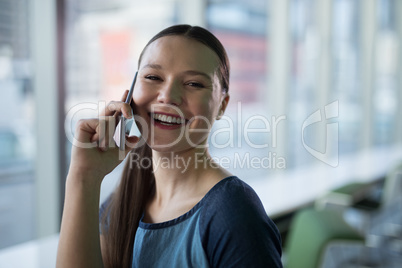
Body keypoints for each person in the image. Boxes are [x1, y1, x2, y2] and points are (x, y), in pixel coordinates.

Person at [56, 24, 282, 268]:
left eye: (194, 84)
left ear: (222, 105)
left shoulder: (233, 214)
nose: (168, 96)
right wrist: (83, 176)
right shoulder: (121, 204)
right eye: (153, 77)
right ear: (131, 92)